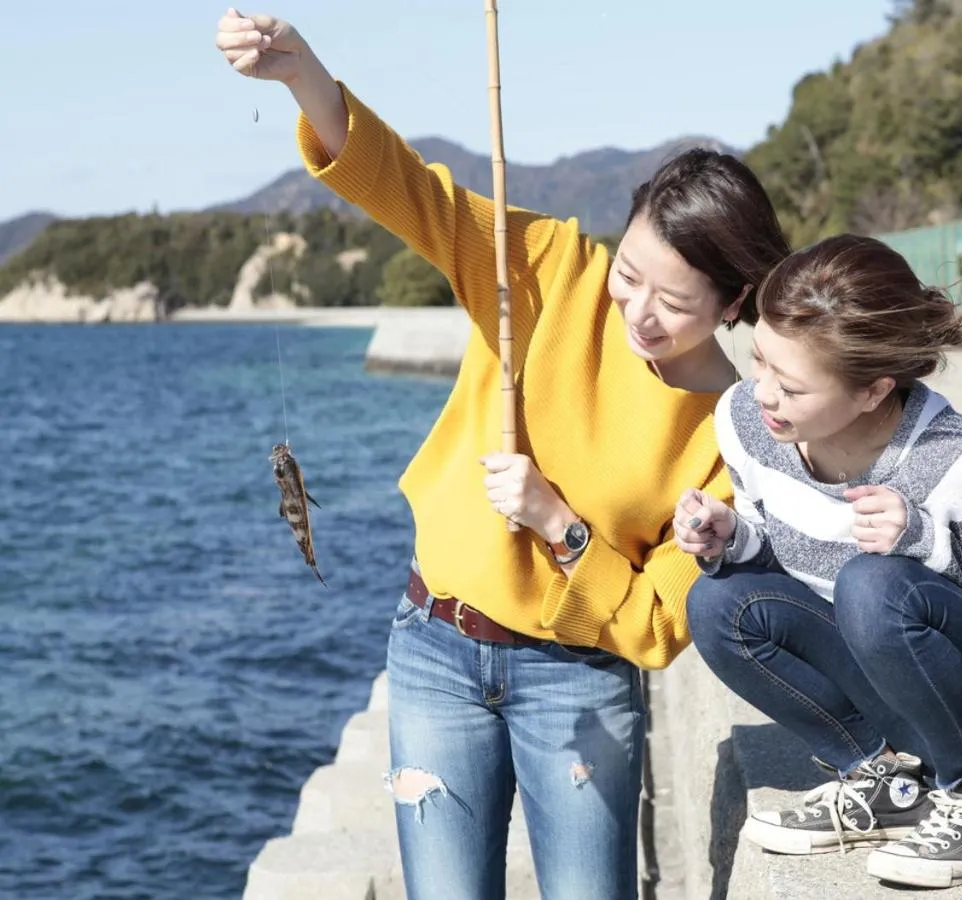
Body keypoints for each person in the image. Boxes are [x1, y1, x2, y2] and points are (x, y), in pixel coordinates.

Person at [215, 9, 790, 899]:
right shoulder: (551, 267)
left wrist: (561, 526)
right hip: (434, 649)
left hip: (580, 681)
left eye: (673, 303)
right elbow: (413, 193)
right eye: (629, 274)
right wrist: (303, 77)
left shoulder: (735, 430)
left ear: (733, 302)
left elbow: (656, 626)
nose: (636, 312)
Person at [672, 234, 962, 888]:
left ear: (872, 392)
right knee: (719, 602)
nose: (763, 394)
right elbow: (784, 540)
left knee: (873, 585)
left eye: (791, 386)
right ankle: (886, 783)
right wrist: (731, 537)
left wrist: (926, 541)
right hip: (897, 673)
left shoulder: (956, 461)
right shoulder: (747, 422)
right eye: (758, 360)